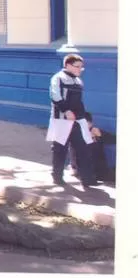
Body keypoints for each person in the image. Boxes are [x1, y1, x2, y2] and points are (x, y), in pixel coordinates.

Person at [48, 53, 96, 187]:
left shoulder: (78, 81)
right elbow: (55, 96)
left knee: (83, 148)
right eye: (77, 66)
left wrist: (85, 118)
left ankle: (87, 179)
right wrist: (66, 110)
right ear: (67, 65)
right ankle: (57, 177)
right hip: (61, 120)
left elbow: (79, 102)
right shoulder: (58, 78)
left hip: (77, 120)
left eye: (81, 67)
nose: (80, 69)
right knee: (59, 149)